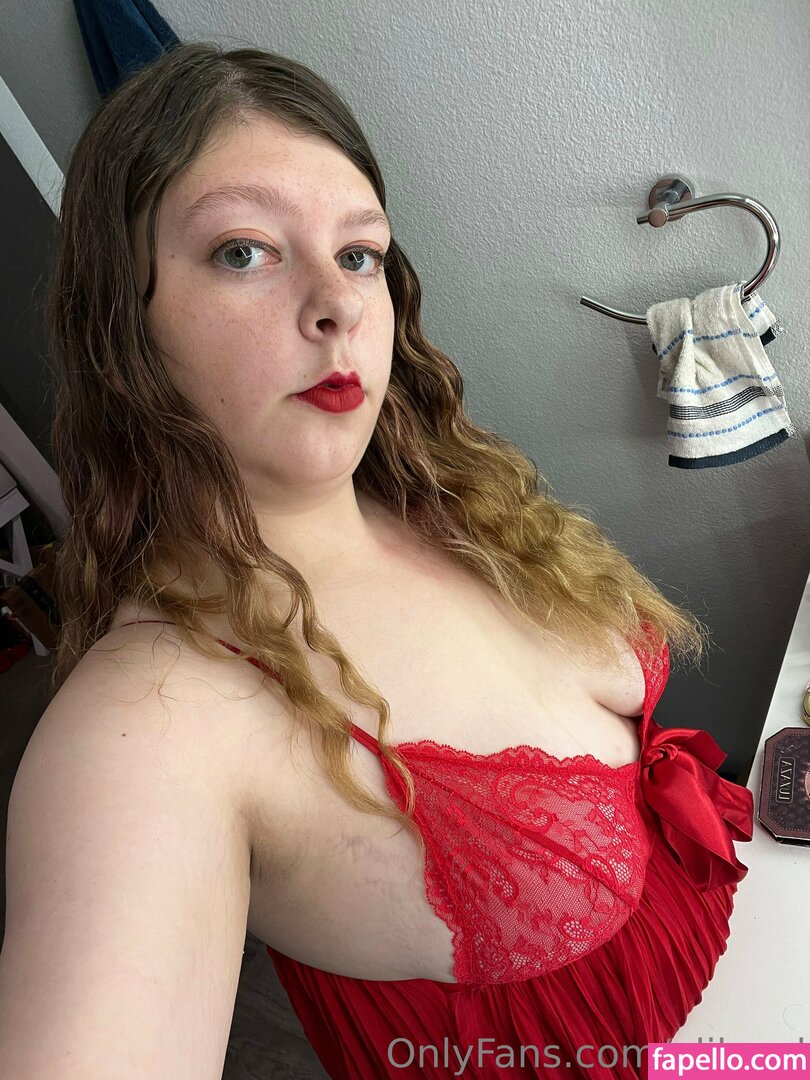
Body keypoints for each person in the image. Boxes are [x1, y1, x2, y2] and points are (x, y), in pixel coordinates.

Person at [0, 41, 753, 1080]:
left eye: (359, 254)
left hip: (750, 1024)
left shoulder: (453, 499)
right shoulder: (150, 724)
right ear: (122, 326)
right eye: (243, 251)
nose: (339, 304)